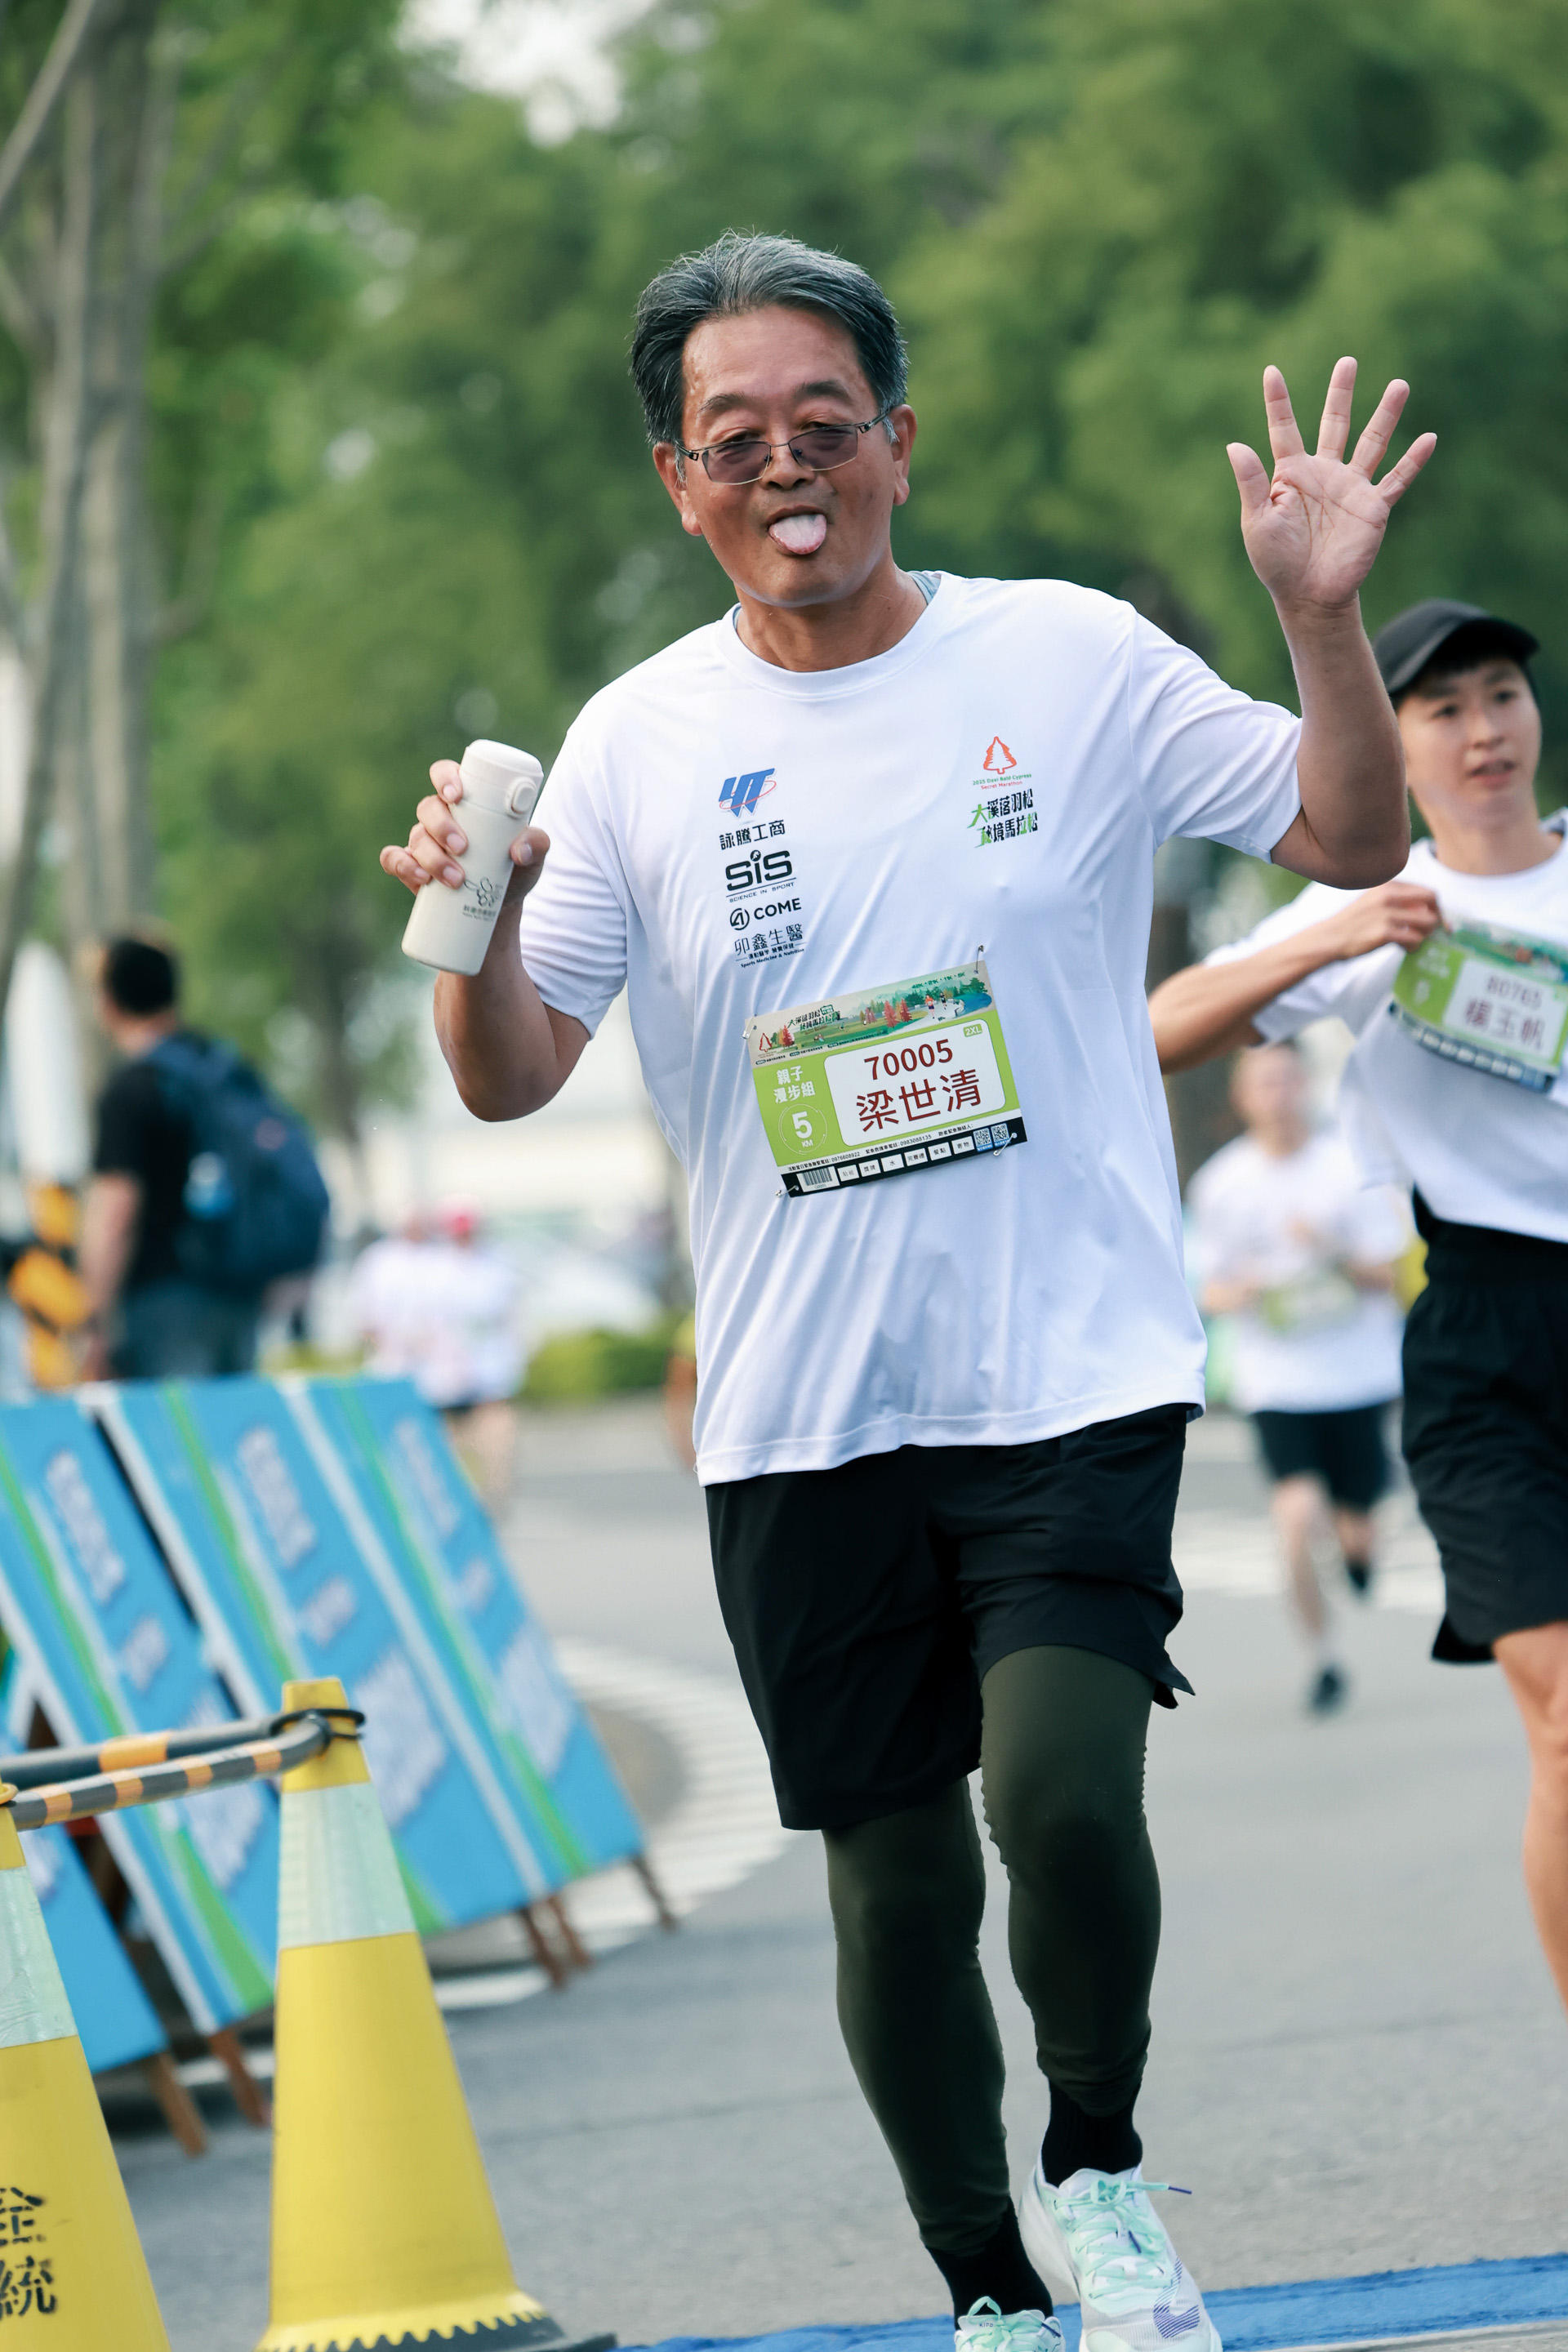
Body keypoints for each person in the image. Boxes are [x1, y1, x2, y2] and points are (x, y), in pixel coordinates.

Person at [381, 232, 1432, 2352]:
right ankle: (985, 2289)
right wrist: (472, 926)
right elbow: (510, 1081)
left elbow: (1341, 833)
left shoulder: (1070, 657)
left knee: (1062, 1795)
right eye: (735, 438)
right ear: (678, 481)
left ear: (899, 443)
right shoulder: (636, 744)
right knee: (899, 1881)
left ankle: (1099, 2176)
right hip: (800, 1407)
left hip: (1070, 1365)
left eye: (825, 424)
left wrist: (1323, 622)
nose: (787, 467)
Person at [1147, 598, 1568, 2019]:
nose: (1484, 730)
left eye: (1501, 695)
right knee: (1563, 1729)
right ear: (1393, 742)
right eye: (1444, 709)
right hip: (1484, 1340)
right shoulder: (1368, 910)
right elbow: (1156, 1032)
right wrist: (1328, 942)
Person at [1186, 1041, 1406, 1714]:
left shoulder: (1350, 1167)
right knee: (1294, 1517)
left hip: (1358, 1375)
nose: (1277, 1095)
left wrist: (1331, 1251)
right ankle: (1324, 1658)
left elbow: (1391, 1275)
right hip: (1278, 1382)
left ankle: (1359, 1553)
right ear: (1241, 1098)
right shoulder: (1223, 1184)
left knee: (1356, 1529)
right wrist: (1246, 1290)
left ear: (1305, 1085)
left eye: (1286, 1079)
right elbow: (1208, 1288)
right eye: (1263, 1084)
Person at [82, 938, 265, 1379]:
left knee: (177, 1422)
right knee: (232, 1418)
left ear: (110, 1004)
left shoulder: (130, 1090)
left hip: (163, 1303)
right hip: (239, 1294)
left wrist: (94, 1319)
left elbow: (116, 1214)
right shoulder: (225, 1068)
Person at [351, 1201, 523, 1503]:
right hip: (434, 1384)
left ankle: (488, 1508)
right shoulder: (420, 1267)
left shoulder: (494, 1265)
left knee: (494, 1467)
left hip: (485, 1383)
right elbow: (382, 1323)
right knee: (440, 1469)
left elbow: (509, 1320)